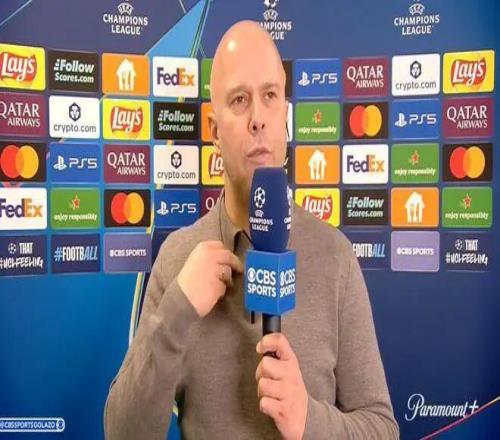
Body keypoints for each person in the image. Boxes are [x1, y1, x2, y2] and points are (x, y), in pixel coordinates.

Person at [104, 20, 399, 440]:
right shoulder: (178, 258)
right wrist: (177, 313)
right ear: (214, 131)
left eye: (270, 96)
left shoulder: (335, 256)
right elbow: (122, 434)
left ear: (285, 116)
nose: (258, 118)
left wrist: (308, 419)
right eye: (240, 100)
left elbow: (382, 429)